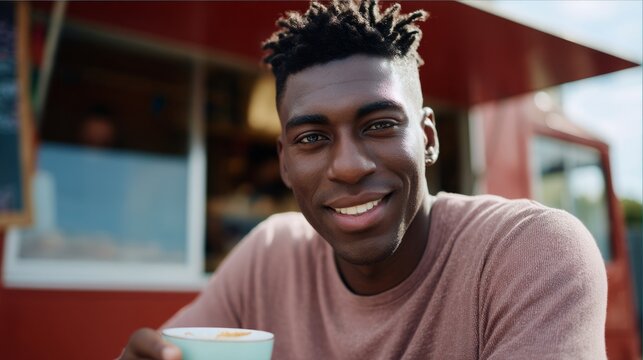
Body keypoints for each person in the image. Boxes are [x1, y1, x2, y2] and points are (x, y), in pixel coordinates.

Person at [119, 1, 607, 359]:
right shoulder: (269, 258)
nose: (349, 166)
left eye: (379, 126)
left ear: (429, 137)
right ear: (285, 162)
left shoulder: (529, 253)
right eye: (312, 138)